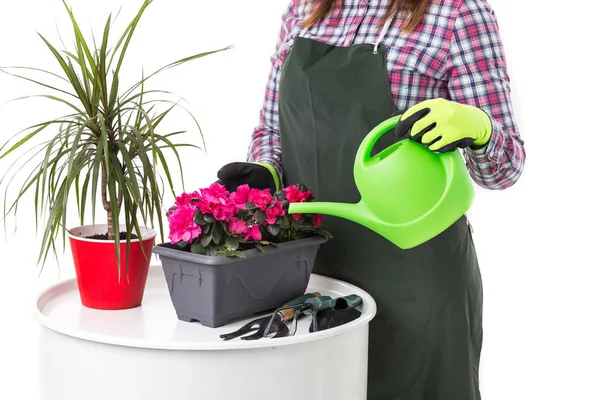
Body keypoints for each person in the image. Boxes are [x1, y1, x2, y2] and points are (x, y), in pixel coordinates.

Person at [217, 0, 526, 398]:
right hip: (316, 275)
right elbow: (273, 130)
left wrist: (480, 128)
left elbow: (505, 170)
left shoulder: (457, 13)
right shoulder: (306, 8)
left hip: (416, 278)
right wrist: (267, 170)